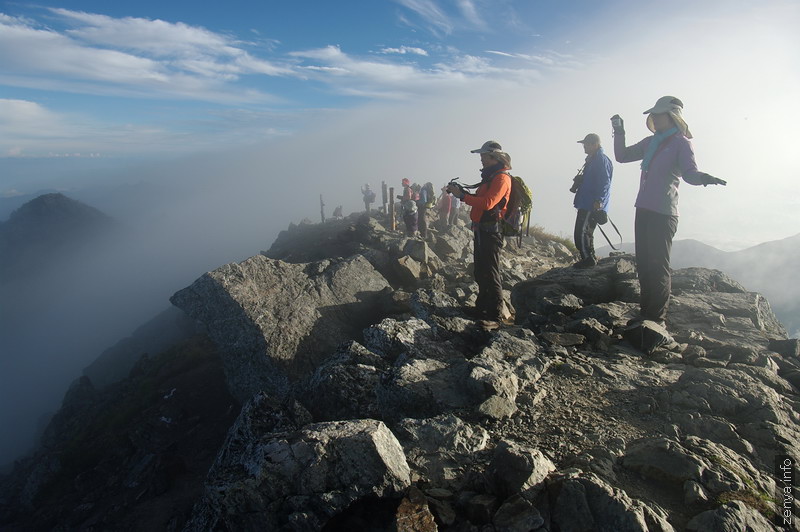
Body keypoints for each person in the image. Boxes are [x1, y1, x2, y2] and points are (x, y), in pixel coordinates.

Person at [612, 96, 726, 327]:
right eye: (652, 113)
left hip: (664, 213)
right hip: (643, 208)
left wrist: (704, 178)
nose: (653, 116)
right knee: (644, 264)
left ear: (671, 116)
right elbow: (622, 157)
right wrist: (619, 132)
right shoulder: (650, 142)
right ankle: (646, 313)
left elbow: (689, 173)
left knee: (658, 265)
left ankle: (656, 319)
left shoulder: (681, 143)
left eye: (657, 113)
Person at [447, 140, 512, 329]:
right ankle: (482, 308)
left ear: (494, 157)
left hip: (492, 230)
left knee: (491, 272)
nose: (481, 159)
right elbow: (481, 199)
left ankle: (496, 317)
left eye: (484, 156)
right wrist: (462, 192)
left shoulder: (501, 178)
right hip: (483, 228)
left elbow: (488, 203)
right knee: (481, 270)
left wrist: (461, 196)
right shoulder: (491, 176)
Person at [571, 133, 613, 268]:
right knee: (586, 232)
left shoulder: (600, 160)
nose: (584, 147)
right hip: (587, 201)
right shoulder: (593, 159)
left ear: (595, 144)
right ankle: (590, 257)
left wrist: (599, 200)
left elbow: (604, 183)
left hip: (591, 203)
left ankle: (588, 260)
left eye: (586, 144)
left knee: (581, 232)